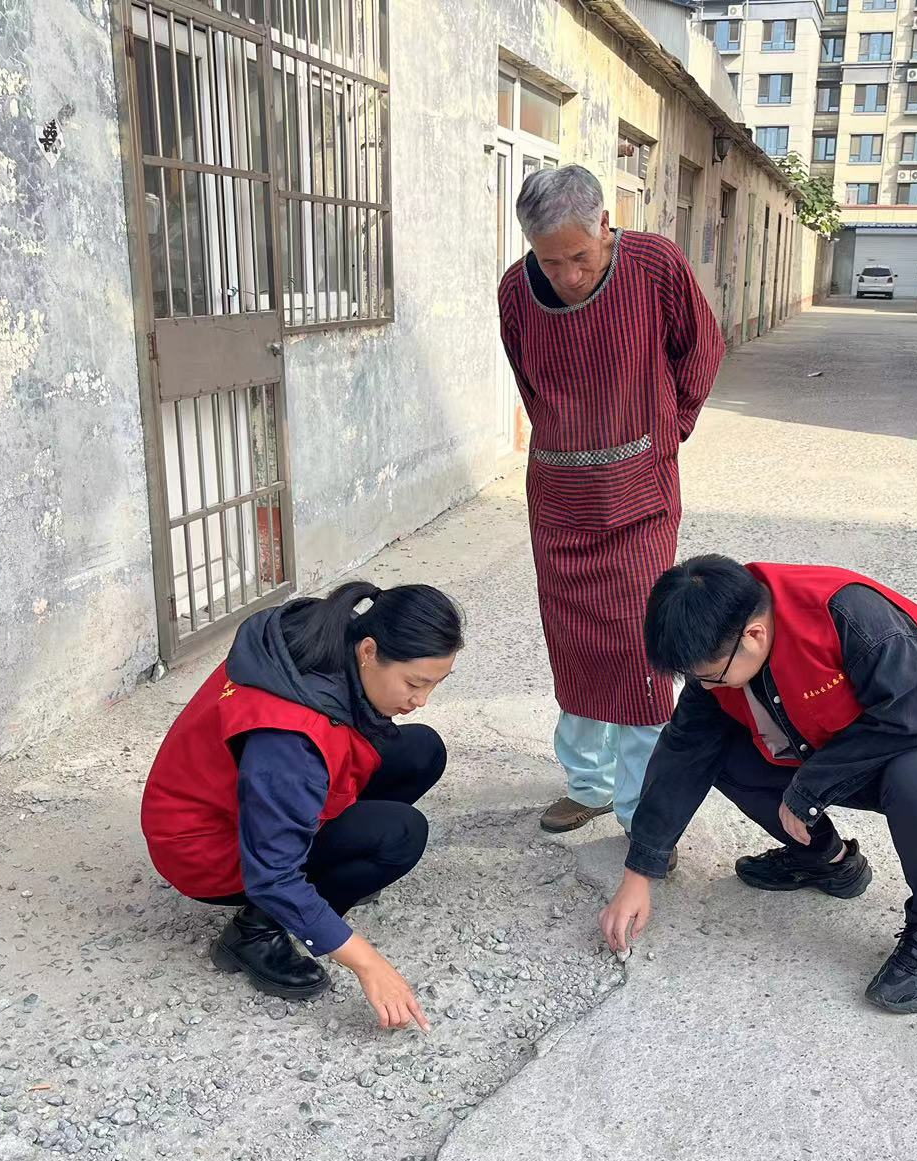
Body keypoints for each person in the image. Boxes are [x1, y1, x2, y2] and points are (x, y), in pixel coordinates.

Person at [598, 557, 917, 1014]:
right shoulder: (725, 636)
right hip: (846, 750)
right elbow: (682, 753)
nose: (705, 686)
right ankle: (829, 864)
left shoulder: (846, 614)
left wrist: (809, 789)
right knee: (718, 749)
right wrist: (639, 873)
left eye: (710, 675)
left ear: (754, 635)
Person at [497, 164, 725, 840]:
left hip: (640, 497)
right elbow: (529, 380)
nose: (568, 275)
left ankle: (641, 810)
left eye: (580, 257)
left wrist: (668, 431)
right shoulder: (515, 291)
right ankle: (588, 785)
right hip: (559, 497)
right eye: (551, 261)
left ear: (604, 224)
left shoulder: (655, 265)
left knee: (639, 647)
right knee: (573, 645)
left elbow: (701, 349)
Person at [140, 582, 462, 1031]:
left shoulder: (326, 635)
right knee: (400, 835)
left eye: (433, 685)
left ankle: (331, 869)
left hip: (239, 798)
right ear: (369, 651)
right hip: (205, 847)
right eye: (414, 683)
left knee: (421, 749)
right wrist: (368, 964)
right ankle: (254, 933)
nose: (421, 700)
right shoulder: (290, 740)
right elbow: (271, 874)